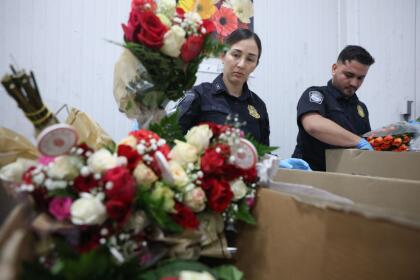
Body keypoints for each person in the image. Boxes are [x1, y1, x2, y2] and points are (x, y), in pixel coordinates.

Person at [177, 28, 270, 146]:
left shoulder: (259, 105)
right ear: (222, 55)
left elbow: (264, 153)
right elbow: (170, 136)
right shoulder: (199, 95)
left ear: (256, 65)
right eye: (236, 55)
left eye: (250, 59)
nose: (241, 64)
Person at [292, 45, 375, 171]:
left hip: (346, 177)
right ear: (334, 68)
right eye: (349, 75)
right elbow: (313, 125)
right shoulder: (316, 94)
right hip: (311, 175)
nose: (354, 83)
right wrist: (358, 141)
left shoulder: (361, 108)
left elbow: (367, 145)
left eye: (360, 78)